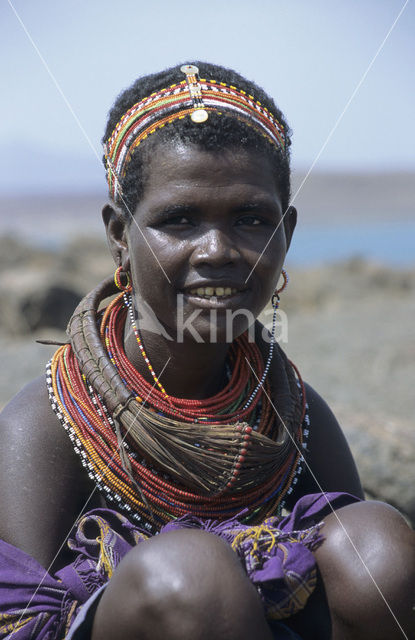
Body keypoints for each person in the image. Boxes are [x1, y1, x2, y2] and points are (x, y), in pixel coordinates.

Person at [0, 62, 414, 640]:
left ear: (286, 235)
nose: (217, 250)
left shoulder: (291, 413)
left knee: (380, 551)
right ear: (120, 233)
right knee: (191, 576)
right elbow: (22, 623)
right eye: (179, 220)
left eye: (250, 220)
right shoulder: (43, 428)